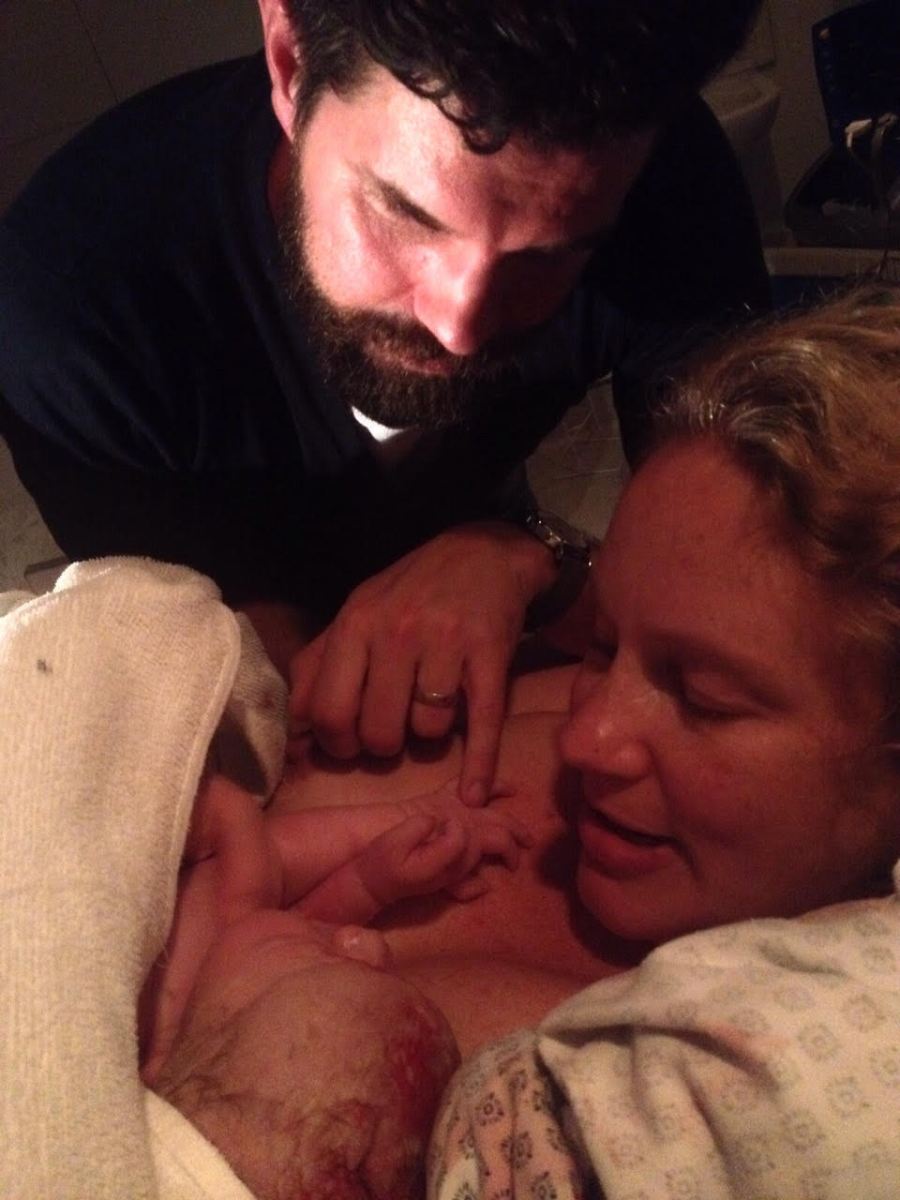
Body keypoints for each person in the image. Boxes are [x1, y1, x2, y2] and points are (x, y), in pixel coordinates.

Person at [0, 0, 770, 806]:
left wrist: (527, 560)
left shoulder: (662, 178)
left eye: (548, 257)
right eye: (405, 215)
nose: (460, 327)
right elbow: (254, 701)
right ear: (290, 64)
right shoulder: (70, 307)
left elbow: (738, 583)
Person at [270, 286, 900, 1196]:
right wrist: (522, 558)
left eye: (705, 699)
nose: (586, 737)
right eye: (605, 644)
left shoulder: (681, 1086)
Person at [0, 557, 526, 1200]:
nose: (367, 942)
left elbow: (259, 876)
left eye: (320, 960)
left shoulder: (116, 1040)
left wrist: (191, 816)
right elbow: (281, 913)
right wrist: (383, 863)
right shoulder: (233, 981)